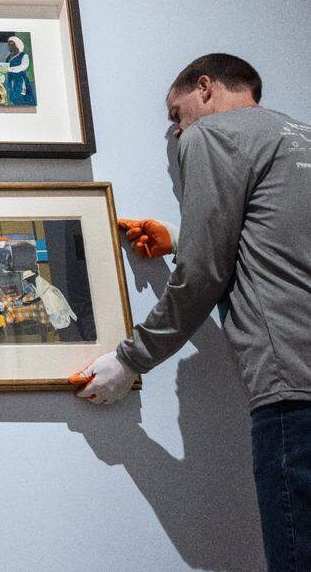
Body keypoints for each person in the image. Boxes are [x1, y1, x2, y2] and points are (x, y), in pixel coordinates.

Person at [72, 53, 311, 572]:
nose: (175, 132)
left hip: (294, 386)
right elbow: (279, 248)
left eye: (174, 116)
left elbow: (205, 272)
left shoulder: (213, 135)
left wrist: (131, 359)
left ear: (204, 88)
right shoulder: (300, 139)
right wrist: (180, 239)